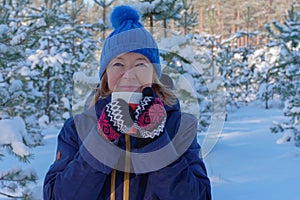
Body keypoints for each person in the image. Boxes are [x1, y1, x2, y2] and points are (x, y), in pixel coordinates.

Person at [43, 5, 211, 200]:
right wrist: (101, 140)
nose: (129, 75)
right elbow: (57, 196)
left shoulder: (180, 126)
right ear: (105, 75)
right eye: (118, 64)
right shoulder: (77, 128)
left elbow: (198, 196)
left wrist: (155, 141)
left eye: (140, 64)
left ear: (154, 74)